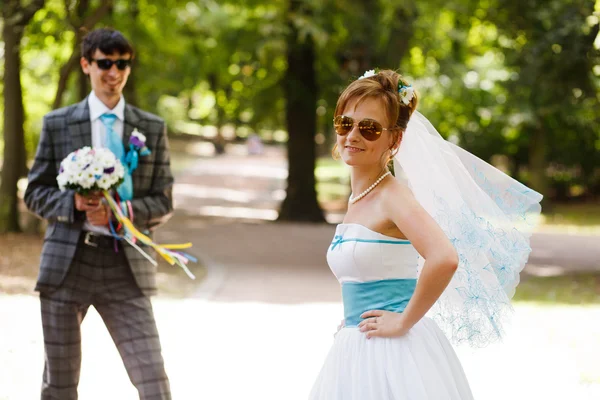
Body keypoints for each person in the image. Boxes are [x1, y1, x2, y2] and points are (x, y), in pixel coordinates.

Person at [309, 69, 542, 399]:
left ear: (394, 139)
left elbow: (444, 257)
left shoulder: (393, 197)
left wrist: (403, 321)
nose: (353, 136)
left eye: (370, 128)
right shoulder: (359, 197)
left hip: (394, 357)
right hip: (357, 345)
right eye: (345, 123)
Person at [24, 28, 173, 399]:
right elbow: (35, 193)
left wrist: (124, 212)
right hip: (66, 266)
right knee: (59, 384)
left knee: (153, 380)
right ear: (86, 65)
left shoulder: (151, 128)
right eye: (105, 63)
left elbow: (164, 200)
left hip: (126, 267)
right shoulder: (58, 123)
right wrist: (73, 205)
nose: (115, 72)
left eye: (122, 64)